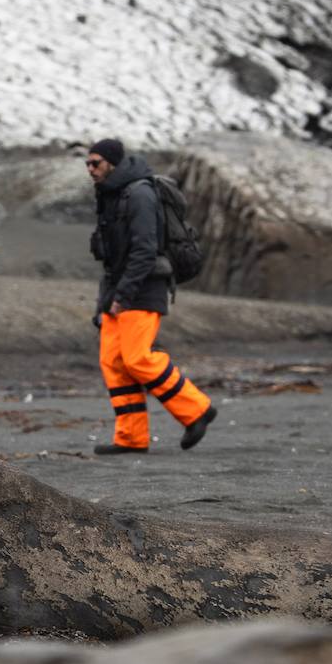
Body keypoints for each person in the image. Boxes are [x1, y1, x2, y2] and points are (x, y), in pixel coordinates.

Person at [86, 138, 217, 455]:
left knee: (137, 358)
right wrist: (106, 302)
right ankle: (131, 437)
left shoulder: (140, 194)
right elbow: (112, 259)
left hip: (144, 287)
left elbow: (145, 251)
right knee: (113, 362)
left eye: (96, 163)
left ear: (112, 163)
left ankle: (197, 410)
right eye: (87, 163)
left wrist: (123, 295)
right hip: (118, 289)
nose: (90, 169)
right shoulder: (111, 194)